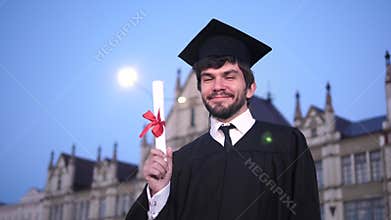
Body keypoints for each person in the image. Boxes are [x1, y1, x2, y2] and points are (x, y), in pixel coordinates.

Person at [126, 18, 320, 220]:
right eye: (208, 78)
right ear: (200, 89)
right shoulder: (181, 161)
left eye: (229, 76)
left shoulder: (288, 145)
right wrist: (159, 193)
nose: (218, 86)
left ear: (250, 88)